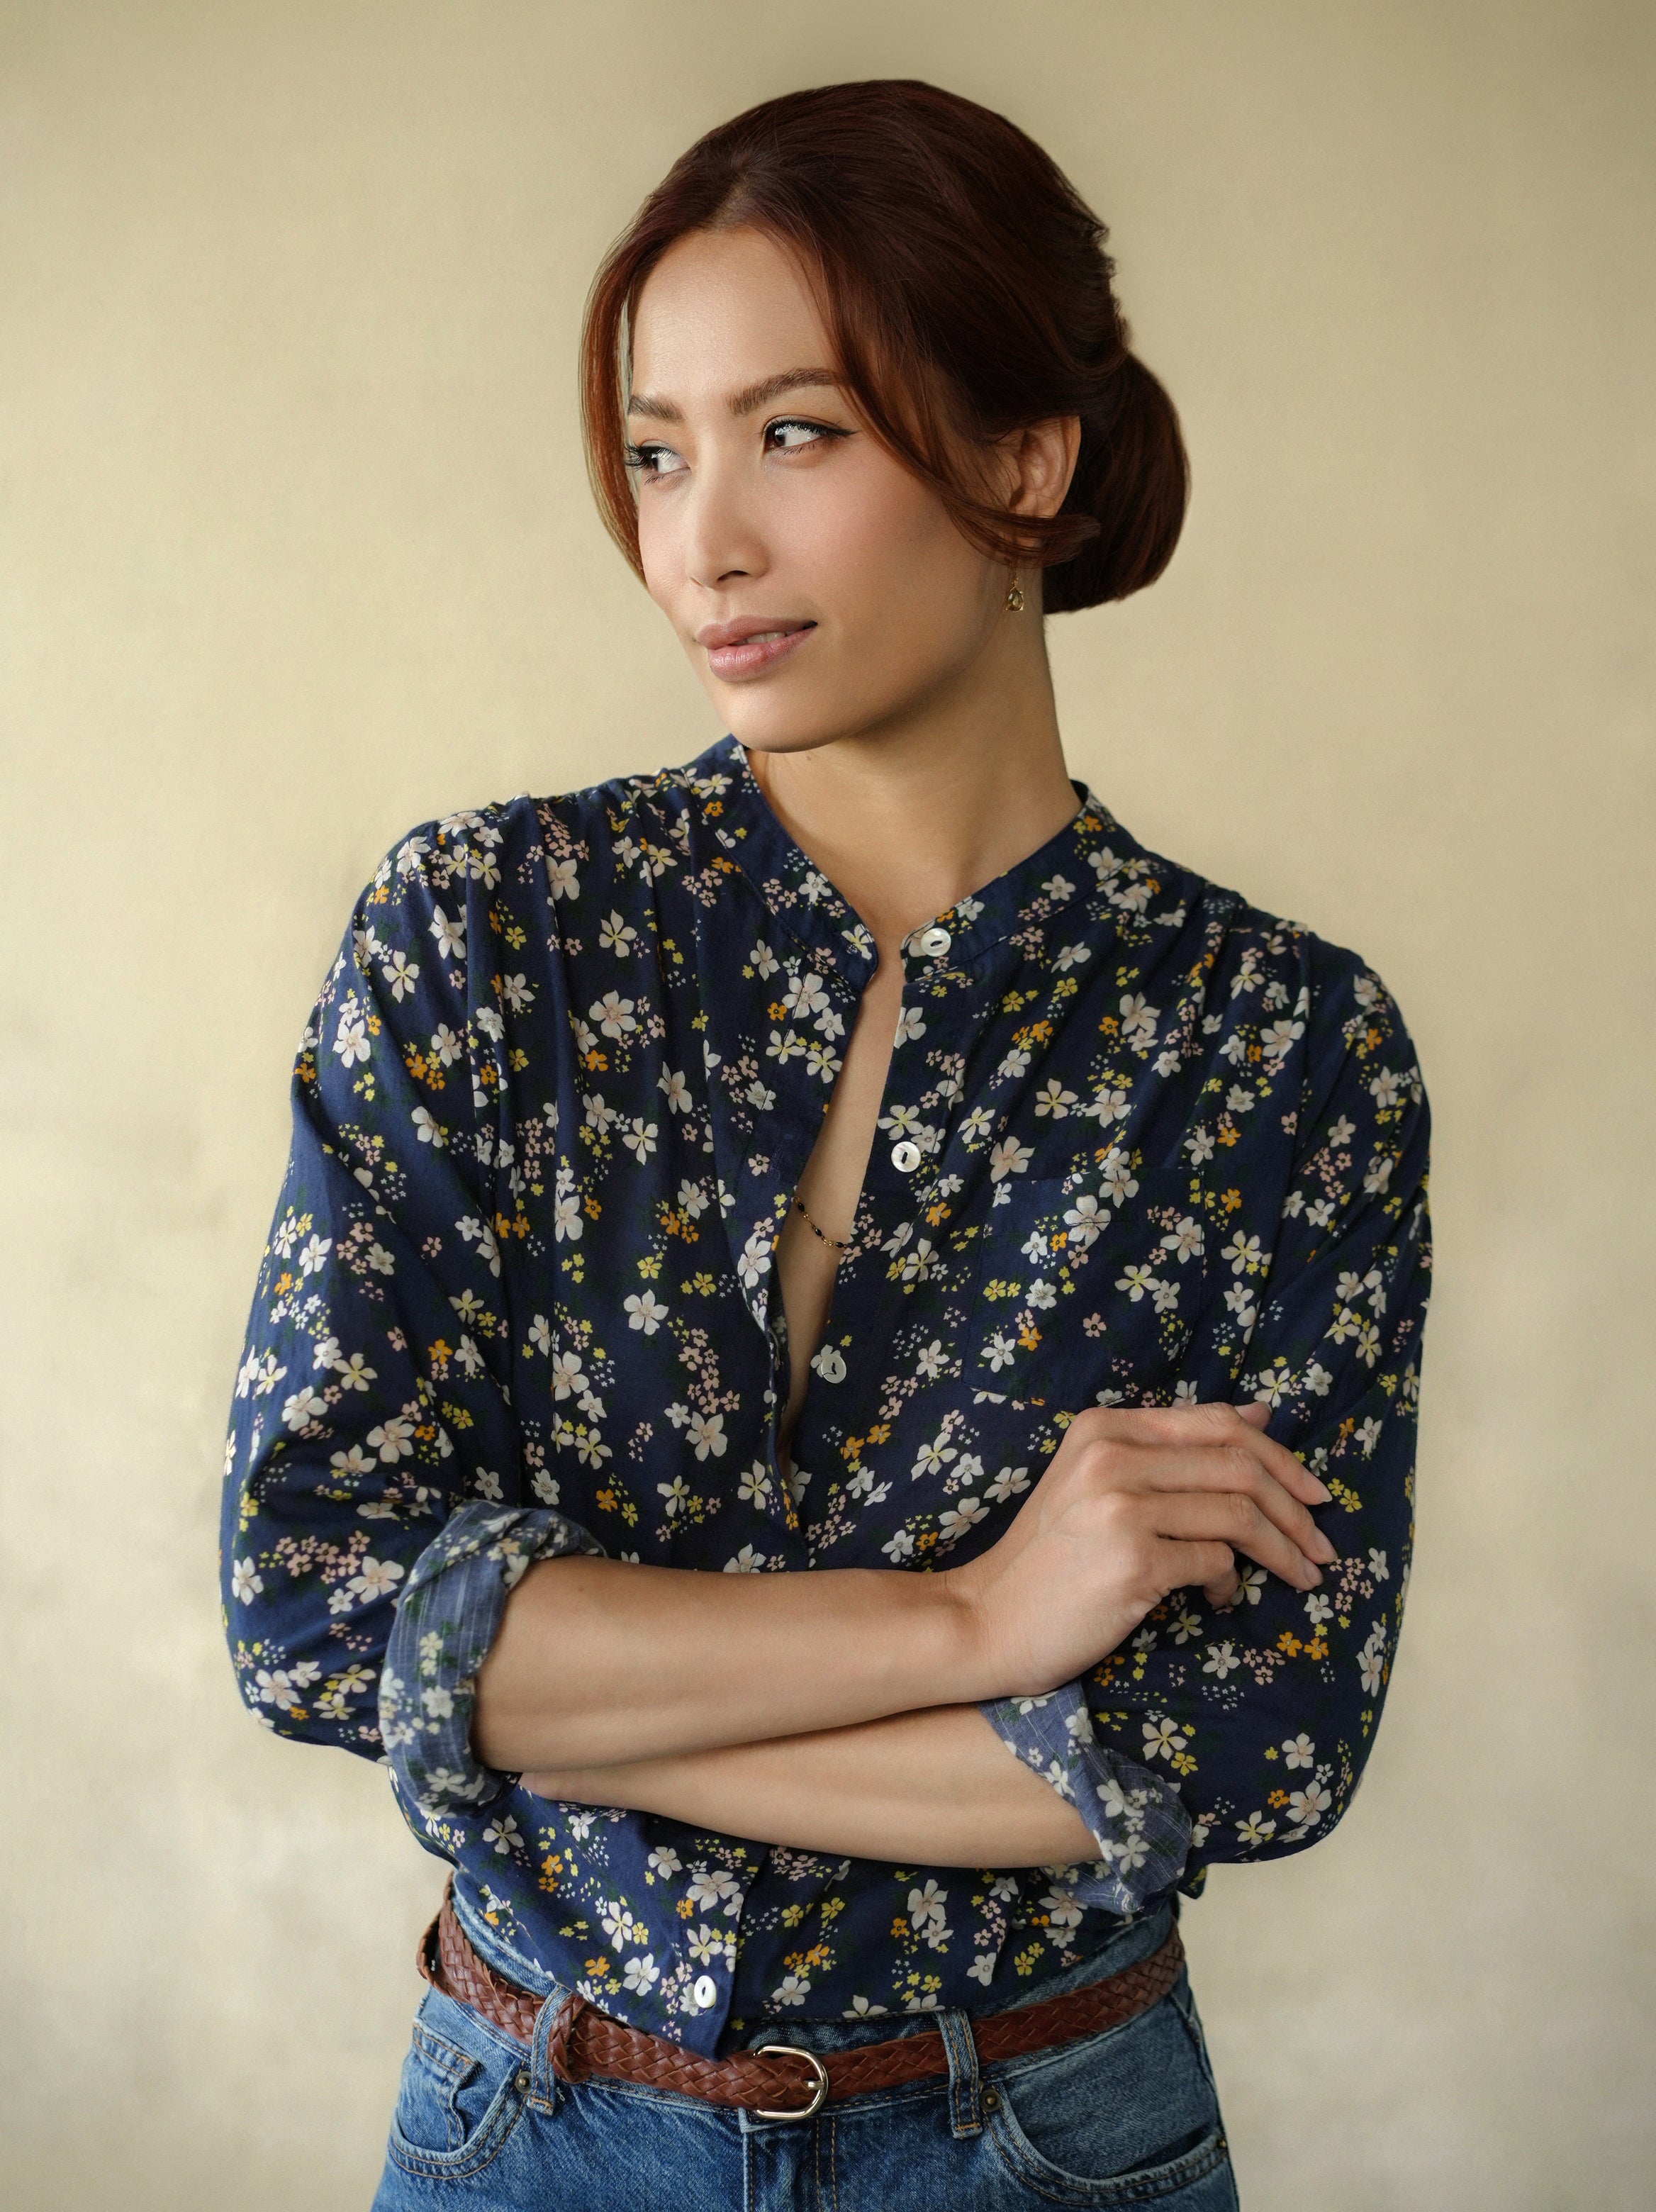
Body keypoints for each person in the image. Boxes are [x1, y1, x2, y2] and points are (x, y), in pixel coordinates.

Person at [220, 79, 1431, 2211]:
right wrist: (981, 1630)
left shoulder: (1281, 1049)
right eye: (657, 452)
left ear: (1023, 460)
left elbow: (1256, 1742)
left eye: (796, 434)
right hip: (529, 2131)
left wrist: (523, 1688)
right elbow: (314, 1601)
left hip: (1047, 2142)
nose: (702, 543)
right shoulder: (487, 932)